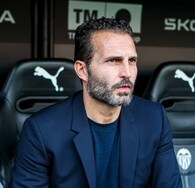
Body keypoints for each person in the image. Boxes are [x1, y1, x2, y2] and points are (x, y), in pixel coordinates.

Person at [9, 17, 182, 188]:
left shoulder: (154, 119)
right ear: (82, 70)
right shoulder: (41, 130)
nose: (127, 72)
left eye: (132, 61)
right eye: (113, 61)